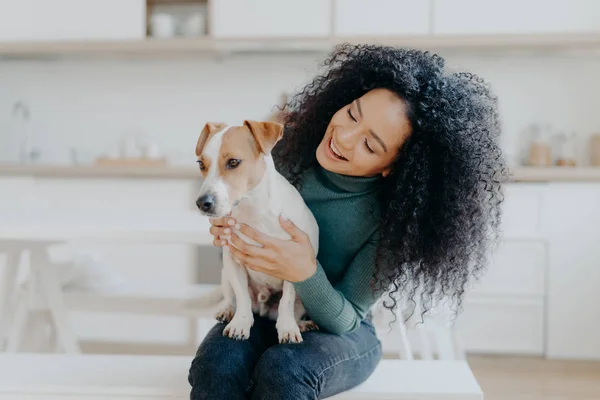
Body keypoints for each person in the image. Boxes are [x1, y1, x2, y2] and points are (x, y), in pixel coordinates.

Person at [188, 43, 508, 399]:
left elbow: (346, 319)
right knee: (216, 367)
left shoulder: (393, 223)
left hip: (345, 333)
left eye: (370, 146)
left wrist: (305, 272)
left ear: (394, 167)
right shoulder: (282, 158)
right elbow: (245, 251)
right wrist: (229, 234)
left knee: (283, 370)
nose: (343, 137)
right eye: (352, 114)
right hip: (267, 307)